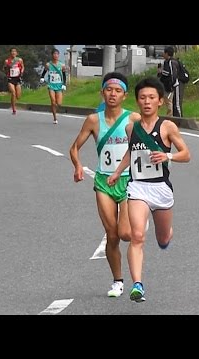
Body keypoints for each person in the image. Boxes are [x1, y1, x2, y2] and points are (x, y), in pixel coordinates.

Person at [107, 76, 191, 302]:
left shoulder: (167, 126)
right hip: (138, 188)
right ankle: (137, 285)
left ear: (160, 101)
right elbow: (131, 153)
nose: (146, 101)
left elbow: (186, 154)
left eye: (151, 97)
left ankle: (166, 236)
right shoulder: (130, 128)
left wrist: (168, 155)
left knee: (162, 238)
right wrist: (117, 172)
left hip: (161, 189)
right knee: (136, 235)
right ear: (137, 101)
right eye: (142, 97)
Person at [69, 72, 141, 298]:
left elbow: (149, 143)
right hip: (103, 181)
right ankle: (117, 281)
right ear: (103, 92)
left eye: (118, 91)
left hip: (128, 180)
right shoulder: (93, 120)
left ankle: (138, 227)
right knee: (112, 235)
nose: (113, 94)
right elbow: (74, 148)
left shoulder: (133, 119)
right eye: (109, 90)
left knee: (126, 234)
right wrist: (78, 166)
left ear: (124, 95)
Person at [40, 48, 67, 124]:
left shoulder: (62, 65)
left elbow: (64, 75)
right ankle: (55, 118)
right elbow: (44, 72)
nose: (56, 55)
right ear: (52, 55)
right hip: (51, 85)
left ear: (58, 55)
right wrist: (42, 78)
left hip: (59, 85)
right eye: (54, 54)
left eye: (57, 54)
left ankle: (53, 108)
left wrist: (64, 84)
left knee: (59, 103)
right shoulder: (48, 65)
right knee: (53, 101)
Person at [157, 46, 180, 117]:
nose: (163, 54)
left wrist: (161, 72)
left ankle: (170, 117)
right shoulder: (172, 61)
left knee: (168, 102)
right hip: (168, 85)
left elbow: (168, 74)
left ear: (167, 53)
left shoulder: (170, 62)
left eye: (164, 53)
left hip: (169, 85)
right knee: (164, 100)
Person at [3, 47, 24, 115]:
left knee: (18, 96)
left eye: (15, 51)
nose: (13, 53)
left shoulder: (19, 60)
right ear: (10, 53)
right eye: (12, 51)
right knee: (13, 93)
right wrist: (7, 68)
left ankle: (14, 102)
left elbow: (23, 67)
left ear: (17, 53)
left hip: (17, 79)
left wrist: (21, 72)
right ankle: (14, 109)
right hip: (10, 79)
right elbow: (4, 69)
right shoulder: (7, 61)